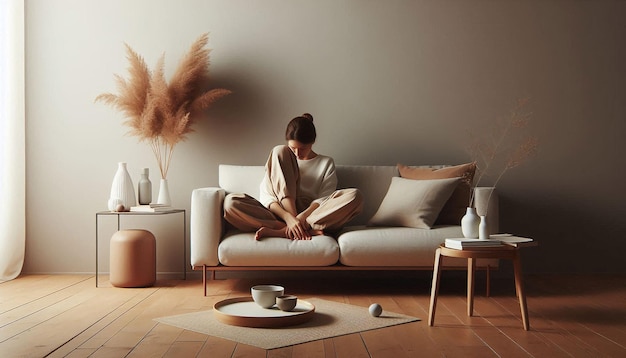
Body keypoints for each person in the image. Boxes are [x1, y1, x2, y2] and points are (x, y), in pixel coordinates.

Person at [224, 113, 363, 240]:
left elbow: (324, 198)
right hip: (280, 214)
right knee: (231, 203)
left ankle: (283, 232)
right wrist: (289, 218)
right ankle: (295, 229)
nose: (297, 154)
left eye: (302, 148)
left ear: (312, 142)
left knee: (355, 196)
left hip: (312, 216)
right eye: (293, 148)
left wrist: (301, 217)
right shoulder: (281, 157)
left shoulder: (325, 162)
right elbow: (268, 196)